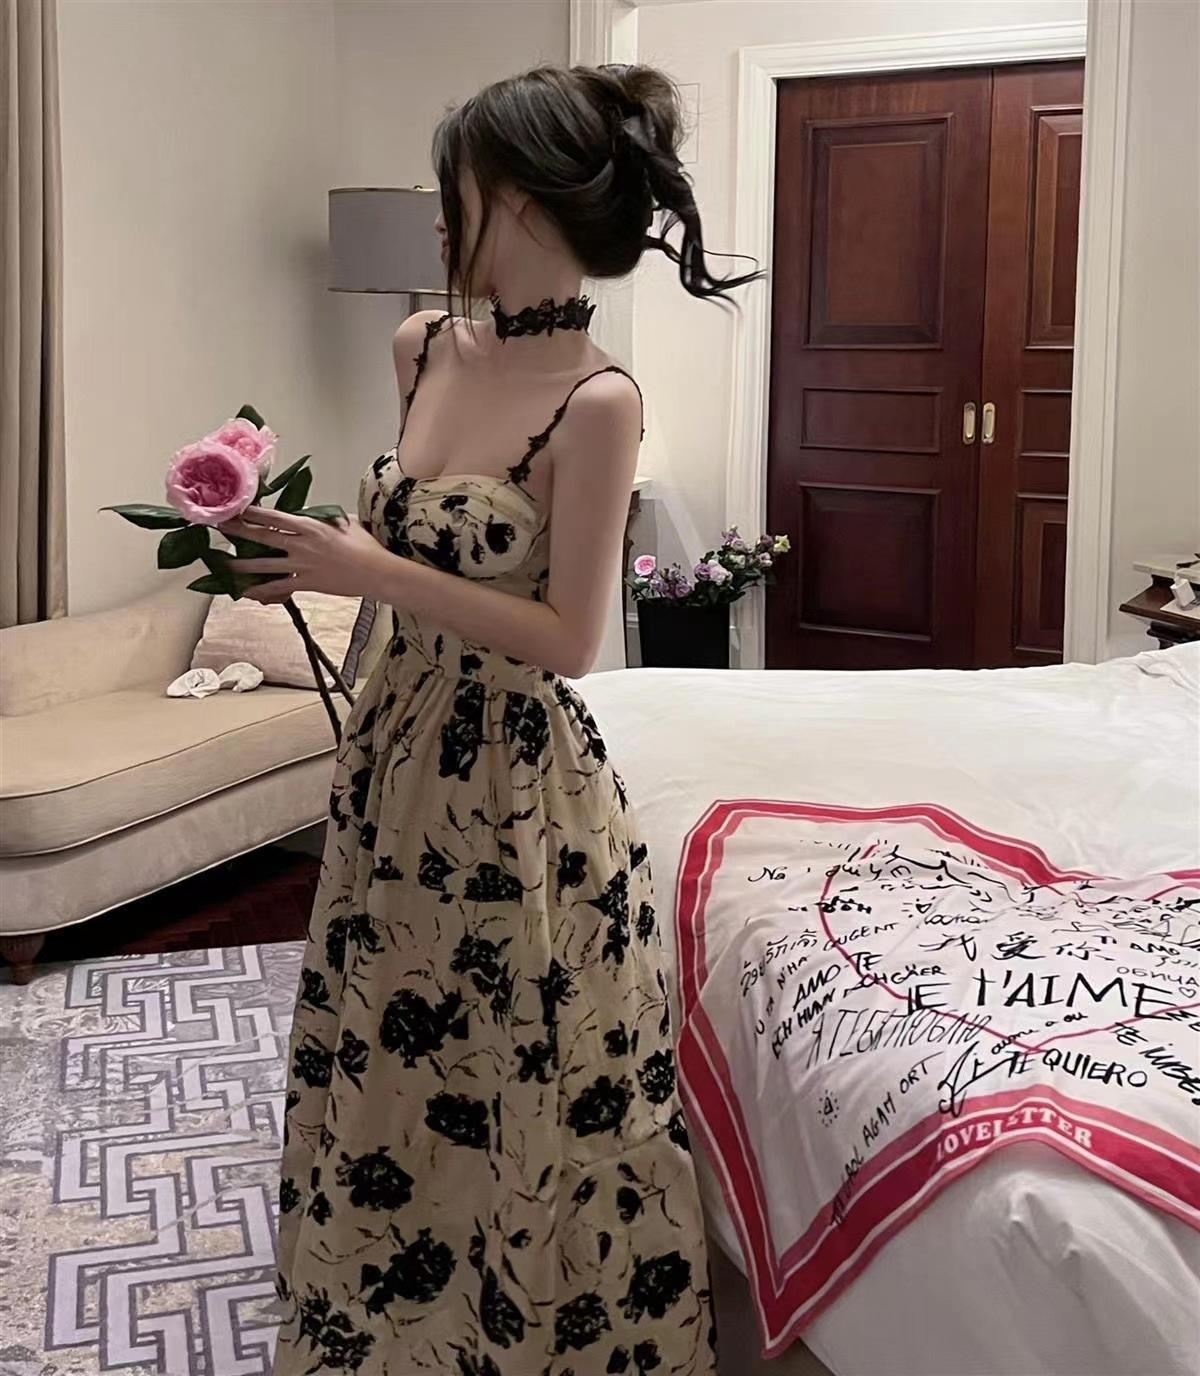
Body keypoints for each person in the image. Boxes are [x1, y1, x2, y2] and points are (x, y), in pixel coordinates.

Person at [224, 61, 756, 1376]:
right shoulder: (419, 348)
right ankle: (382, 1311)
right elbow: (407, 543)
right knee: (388, 1028)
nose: (437, 215)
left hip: (513, 780)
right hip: (394, 750)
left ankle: (512, 1324)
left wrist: (370, 569)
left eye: (453, 188)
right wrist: (307, 554)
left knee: (505, 1050)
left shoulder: (600, 401)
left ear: (517, 199)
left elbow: (571, 639)